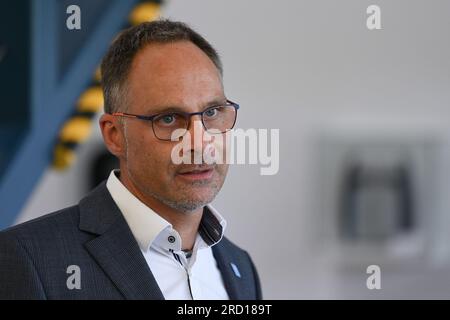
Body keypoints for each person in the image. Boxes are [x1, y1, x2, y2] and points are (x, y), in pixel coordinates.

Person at [0, 20, 261, 300]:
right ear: (114, 136)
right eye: (168, 119)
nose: (199, 143)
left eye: (211, 113)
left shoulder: (240, 267)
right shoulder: (29, 260)